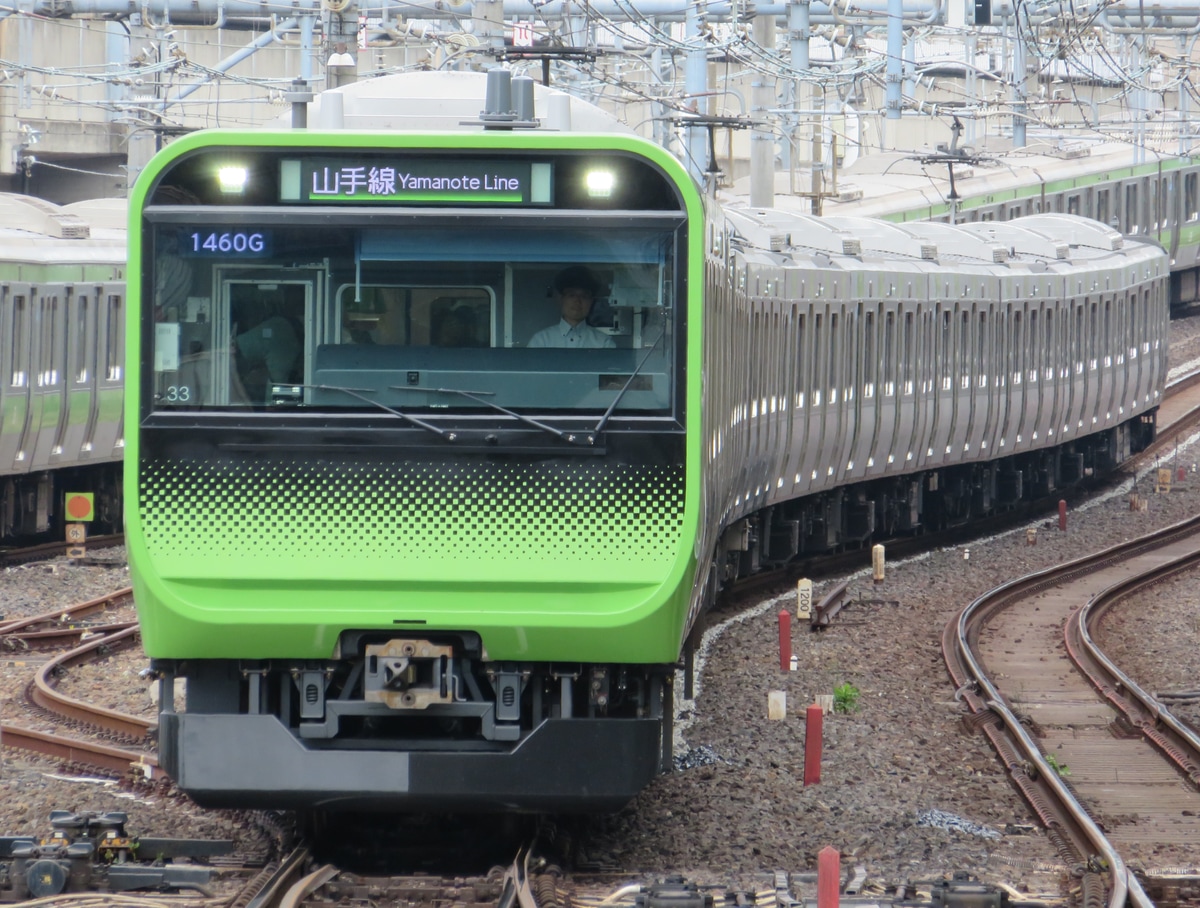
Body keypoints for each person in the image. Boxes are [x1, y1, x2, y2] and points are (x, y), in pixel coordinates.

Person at [527, 265, 615, 349]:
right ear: (561, 299)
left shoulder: (604, 343)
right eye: (571, 295)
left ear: (591, 301)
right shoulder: (541, 341)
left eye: (584, 296)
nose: (577, 301)